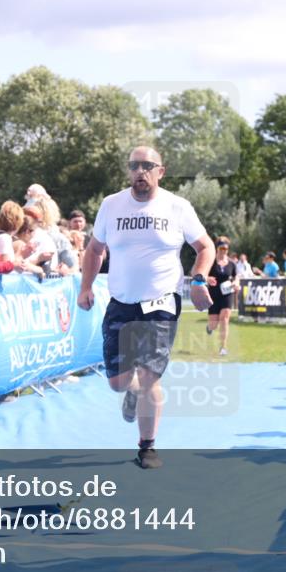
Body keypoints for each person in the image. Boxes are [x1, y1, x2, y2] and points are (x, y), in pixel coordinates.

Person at [77, 146, 214, 470]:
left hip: (161, 305)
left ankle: (147, 447)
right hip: (121, 305)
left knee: (150, 376)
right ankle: (131, 391)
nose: (140, 171)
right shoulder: (111, 205)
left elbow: (205, 246)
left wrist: (198, 280)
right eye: (134, 166)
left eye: (147, 166)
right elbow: (95, 249)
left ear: (160, 171)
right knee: (120, 382)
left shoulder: (177, 207)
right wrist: (85, 287)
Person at [205, 236, 238, 357]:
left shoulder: (232, 264)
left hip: (226, 295)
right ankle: (209, 327)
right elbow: (201, 274)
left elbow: (236, 277)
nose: (224, 250)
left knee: (224, 319)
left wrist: (236, 283)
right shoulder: (211, 262)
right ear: (217, 248)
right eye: (221, 248)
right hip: (213, 295)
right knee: (214, 324)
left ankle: (223, 347)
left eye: (226, 248)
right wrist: (207, 278)